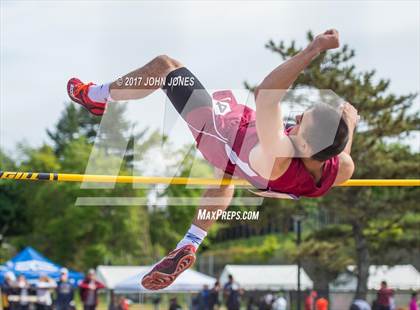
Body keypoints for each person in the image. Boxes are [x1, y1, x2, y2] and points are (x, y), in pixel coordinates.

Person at [67, 29, 358, 290]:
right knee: (227, 173)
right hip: (245, 163)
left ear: (305, 145)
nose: (295, 117)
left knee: (165, 66)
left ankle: (96, 96)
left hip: (219, 134)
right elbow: (339, 152)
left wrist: (313, 50)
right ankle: (190, 242)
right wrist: (348, 123)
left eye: (300, 121)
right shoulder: (339, 167)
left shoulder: (276, 153)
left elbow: (267, 95)